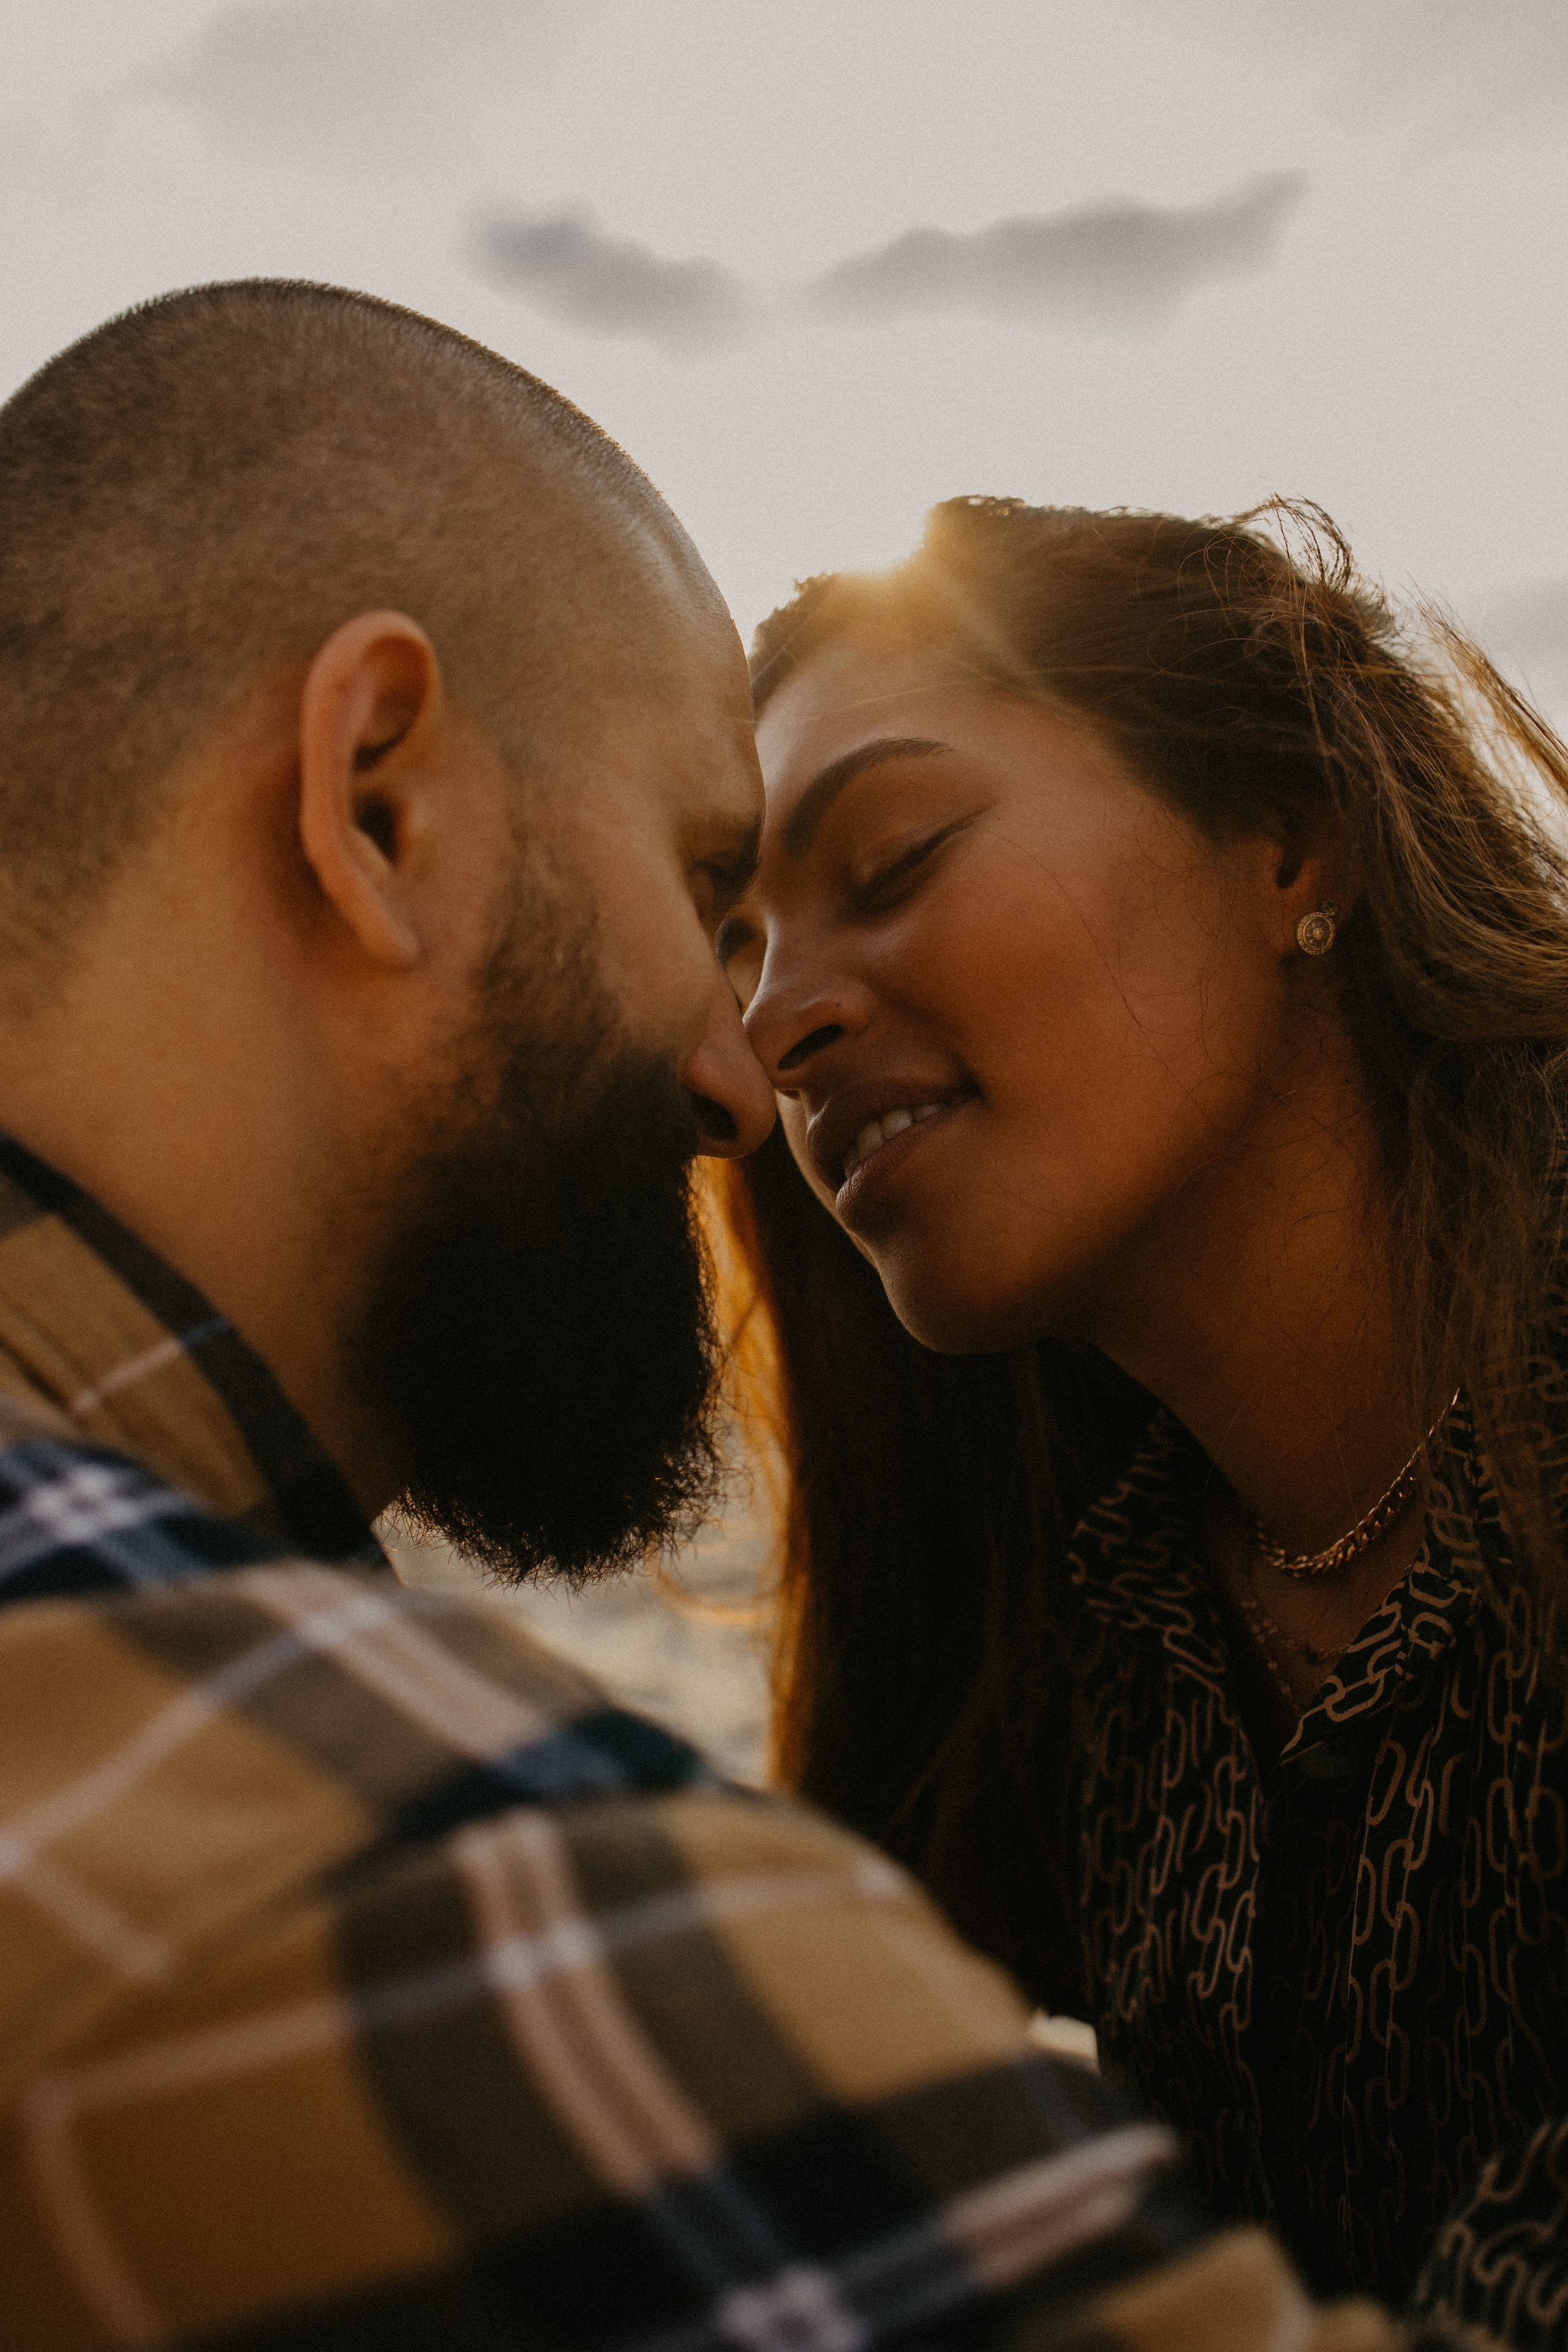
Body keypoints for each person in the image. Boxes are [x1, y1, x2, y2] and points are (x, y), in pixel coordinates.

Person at [0, 288, 1385, 2352]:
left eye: (891, 857)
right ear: (375, 803)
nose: (747, 1074)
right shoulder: (310, 1898)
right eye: (707, 886)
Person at [716, 494, 1568, 2344]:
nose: (774, 1024)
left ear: (1289, 840)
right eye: (737, 950)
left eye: (894, 857)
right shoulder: (1088, 1600)